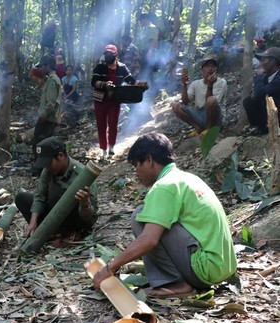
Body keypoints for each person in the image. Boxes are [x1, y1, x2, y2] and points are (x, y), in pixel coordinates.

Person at [92, 133, 236, 298]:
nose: (135, 172)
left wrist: (110, 267)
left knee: (140, 216)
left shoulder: (164, 186)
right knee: (149, 216)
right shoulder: (186, 178)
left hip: (205, 270)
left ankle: (175, 284)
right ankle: (175, 279)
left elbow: (149, 240)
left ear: (149, 160)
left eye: (136, 165)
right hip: (222, 268)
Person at [15, 137, 97, 244]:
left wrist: (85, 203)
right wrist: (33, 222)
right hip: (55, 213)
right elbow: (40, 196)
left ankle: (70, 233)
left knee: (58, 193)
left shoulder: (83, 176)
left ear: (61, 156)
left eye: (49, 164)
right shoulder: (48, 170)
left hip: (76, 218)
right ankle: (54, 232)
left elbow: (90, 217)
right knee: (22, 198)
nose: (47, 168)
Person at [92, 44, 146, 157]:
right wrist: (104, 84)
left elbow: (130, 80)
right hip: (100, 100)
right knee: (101, 125)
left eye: (109, 54)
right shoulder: (100, 67)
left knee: (113, 123)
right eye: (105, 53)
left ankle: (111, 147)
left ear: (115, 55)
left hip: (114, 99)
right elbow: (94, 82)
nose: (107, 56)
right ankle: (103, 149)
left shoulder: (121, 67)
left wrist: (140, 84)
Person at [171, 56, 227, 136]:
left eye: (213, 66)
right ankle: (198, 128)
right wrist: (184, 85)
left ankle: (209, 129)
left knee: (211, 100)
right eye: (207, 66)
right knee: (175, 105)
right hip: (201, 115)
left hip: (216, 120)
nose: (210, 68)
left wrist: (210, 85)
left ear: (216, 69)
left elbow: (210, 103)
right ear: (201, 70)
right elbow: (185, 102)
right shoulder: (196, 83)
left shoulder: (222, 82)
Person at [30, 55, 63, 164]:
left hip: (48, 119)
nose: (40, 69)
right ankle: (45, 167)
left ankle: (39, 168)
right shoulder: (51, 79)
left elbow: (51, 103)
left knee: (39, 144)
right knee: (45, 144)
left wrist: (42, 116)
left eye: (41, 67)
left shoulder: (52, 80)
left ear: (47, 66)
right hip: (50, 118)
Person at [243, 47, 280, 135]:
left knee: (270, 100)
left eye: (263, 60)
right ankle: (262, 129)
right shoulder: (267, 77)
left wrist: (258, 76)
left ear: (273, 61)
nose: (261, 63)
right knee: (249, 102)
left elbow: (259, 93)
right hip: (271, 114)